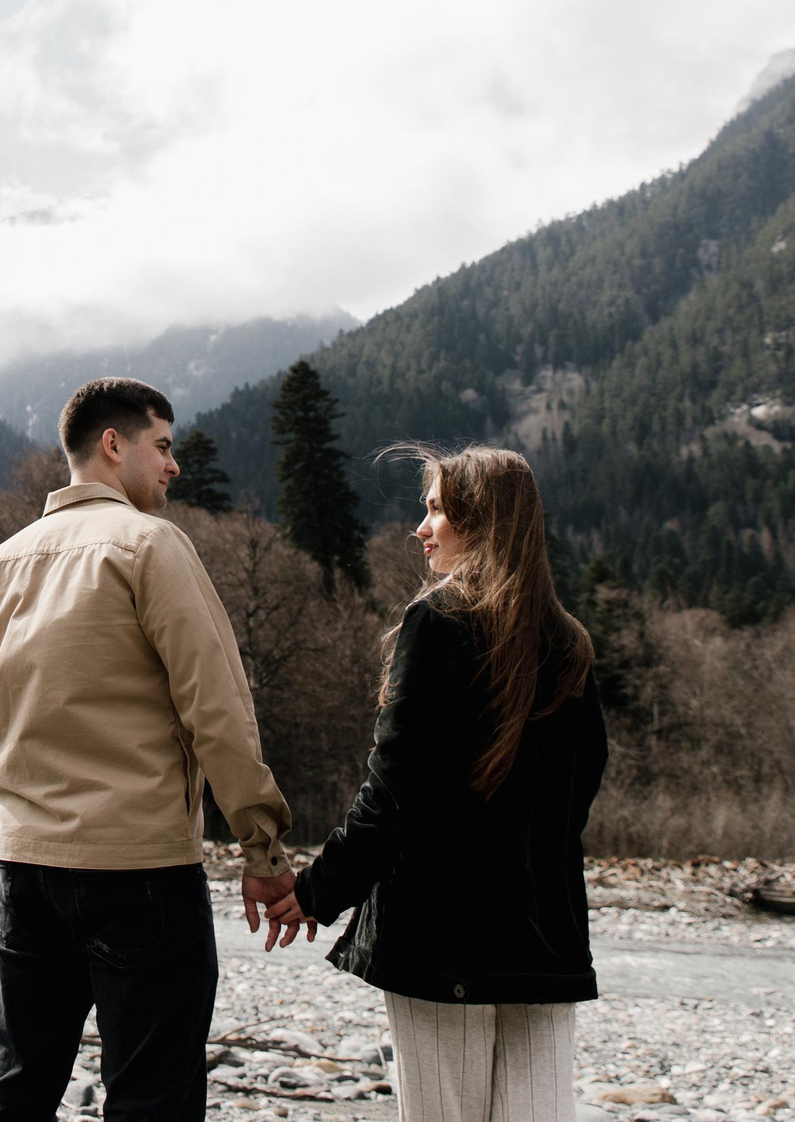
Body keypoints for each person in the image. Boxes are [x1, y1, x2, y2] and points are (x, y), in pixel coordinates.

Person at [0, 377, 297, 1122]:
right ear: (114, 444)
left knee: (18, 1083)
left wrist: (31, 813)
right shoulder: (150, 545)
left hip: (27, 870)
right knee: (151, 1098)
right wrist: (262, 849)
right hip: (141, 871)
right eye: (163, 445)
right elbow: (218, 708)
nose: (174, 464)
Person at [266, 445, 606, 1122]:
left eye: (435, 510)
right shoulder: (570, 642)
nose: (421, 528)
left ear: (479, 521)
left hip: (439, 932)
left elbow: (393, 792)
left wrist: (315, 891)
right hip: (546, 939)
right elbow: (578, 796)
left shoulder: (439, 622)